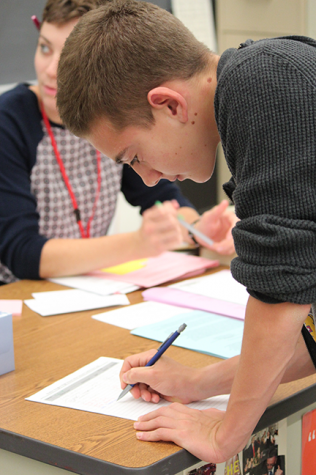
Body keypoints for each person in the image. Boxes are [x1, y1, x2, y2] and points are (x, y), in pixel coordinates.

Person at [56, 0, 316, 464]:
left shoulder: (263, 85)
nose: (149, 179)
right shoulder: (264, 78)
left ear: (170, 104)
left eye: (133, 156)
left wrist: (226, 434)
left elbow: (280, 294)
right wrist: (201, 383)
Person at [0, 0, 237, 284]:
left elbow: (162, 199)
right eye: (44, 48)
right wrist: (138, 243)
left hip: (81, 289)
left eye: (65, 61)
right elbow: (22, 252)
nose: (51, 70)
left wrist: (196, 228)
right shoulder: (10, 120)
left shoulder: (112, 120)